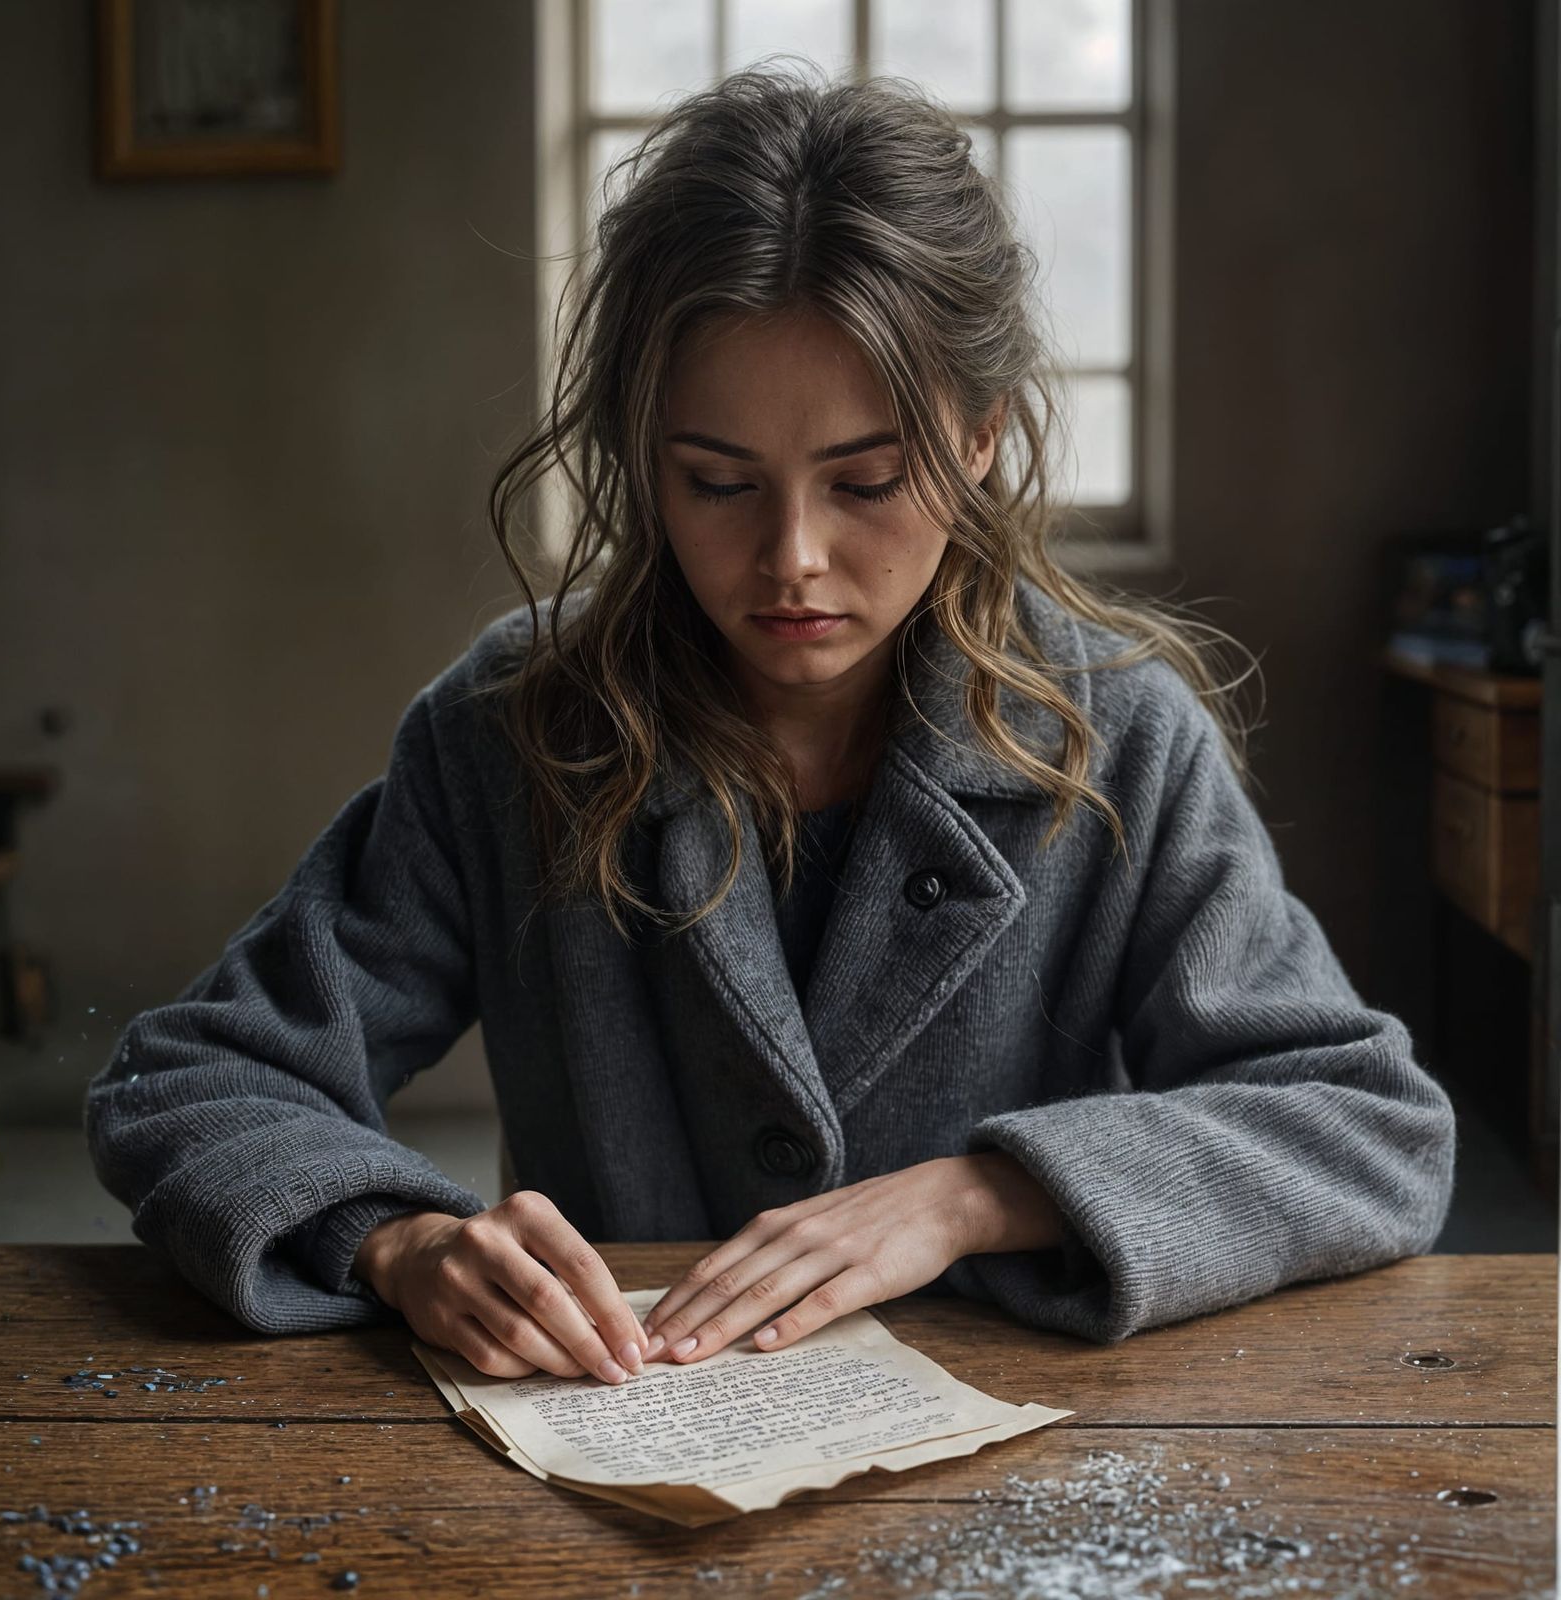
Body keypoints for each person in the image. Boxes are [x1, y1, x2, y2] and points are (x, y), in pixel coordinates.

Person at [85, 66, 1456, 1385]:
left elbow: (1364, 1130)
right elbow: (193, 1076)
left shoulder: (1119, 746)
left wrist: (981, 1196)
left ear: (980, 435)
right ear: (641, 454)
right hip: (615, 1471)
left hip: (1029, 1484)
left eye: (866, 481)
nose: (792, 557)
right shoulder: (513, 733)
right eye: (718, 482)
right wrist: (395, 1239)